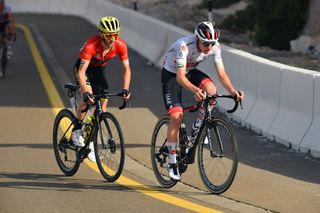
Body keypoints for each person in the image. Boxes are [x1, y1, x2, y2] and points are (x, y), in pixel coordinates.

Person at [161, 21, 244, 180]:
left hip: (190, 71)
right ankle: (172, 161)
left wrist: (233, 92)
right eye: (205, 43)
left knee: (212, 92)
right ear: (197, 39)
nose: (209, 47)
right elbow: (180, 77)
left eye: (212, 43)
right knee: (176, 117)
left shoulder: (215, 47)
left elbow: (221, 74)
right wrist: (196, 91)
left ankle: (197, 128)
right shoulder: (183, 46)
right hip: (172, 75)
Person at [72, 16, 132, 162]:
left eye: (115, 34)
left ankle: (90, 139)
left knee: (103, 107)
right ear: (101, 34)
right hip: (84, 69)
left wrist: (125, 89)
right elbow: (81, 71)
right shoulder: (91, 45)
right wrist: (85, 92)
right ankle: (77, 129)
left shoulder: (121, 45)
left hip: (99, 70)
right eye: (109, 35)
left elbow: (127, 69)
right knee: (89, 99)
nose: (112, 39)